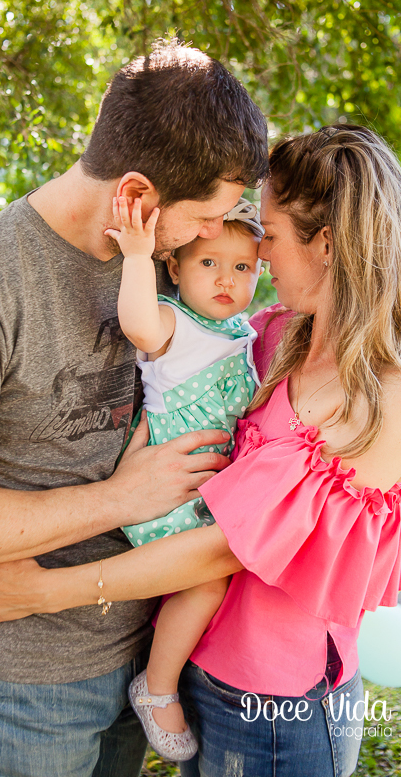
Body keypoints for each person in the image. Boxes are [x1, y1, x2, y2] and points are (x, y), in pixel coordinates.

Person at [0, 124, 401, 777]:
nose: (260, 254)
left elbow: (229, 545)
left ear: (325, 244)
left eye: (268, 235)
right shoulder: (274, 339)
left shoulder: (397, 393)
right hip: (195, 668)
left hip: (279, 702)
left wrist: (42, 592)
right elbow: (178, 388)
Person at [0, 38, 269, 777]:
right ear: (137, 198)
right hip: (23, 681)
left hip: (139, 656)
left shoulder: (158, 264)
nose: (208, 239)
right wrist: (120, 497)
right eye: (203, 219)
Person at [105, 194, 264, 760]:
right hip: (169, 490)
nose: (226, 279)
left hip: (206, 491)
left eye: (242, 267)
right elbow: (138, 325)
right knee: (204, 582)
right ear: (175, 268)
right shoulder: (175, 322)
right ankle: (157, 685)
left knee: (213, 582)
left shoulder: (241, 332)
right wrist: (136, 256)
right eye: (208, 263)